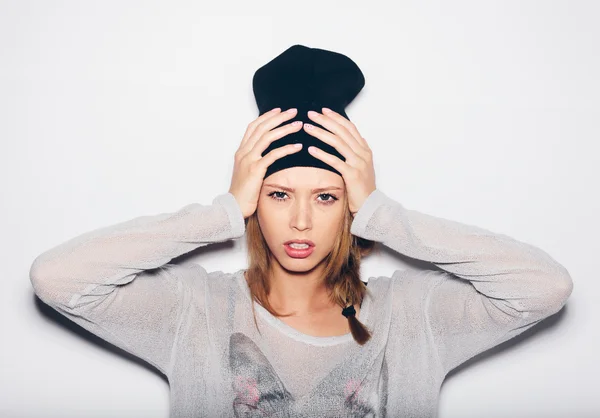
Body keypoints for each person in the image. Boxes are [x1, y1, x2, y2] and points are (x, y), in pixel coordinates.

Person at [29, 106, 573, 417]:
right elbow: (57, 279)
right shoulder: (194, 310)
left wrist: (383, 213)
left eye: (327, 198)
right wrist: (220, 212)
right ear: (254, 203)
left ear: (350, 207)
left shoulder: (413, 316)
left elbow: (544, 287)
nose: (302, 222)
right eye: (279, 195)